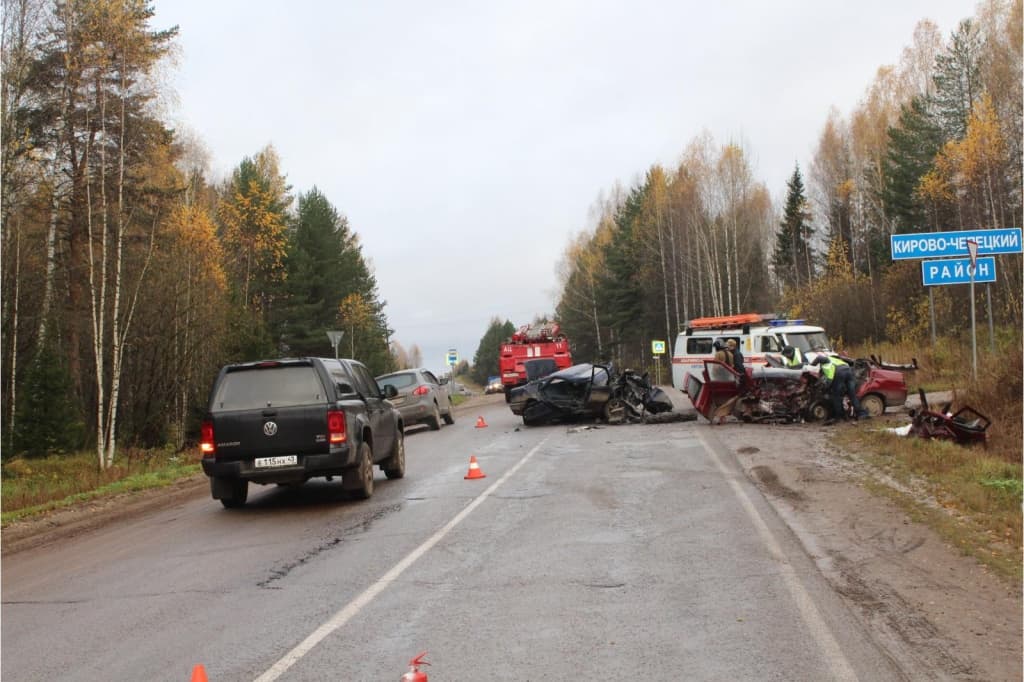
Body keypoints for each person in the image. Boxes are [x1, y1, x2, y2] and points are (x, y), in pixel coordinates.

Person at [812, 354, 868, 423]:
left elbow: (829, 379)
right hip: (849, 371)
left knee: (836, 396)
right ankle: (861, 414)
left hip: (840, 373)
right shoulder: (832, 358)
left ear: (820, 363)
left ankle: (839, 417)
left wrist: (824, 388)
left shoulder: (826, 366)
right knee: (852, 395)